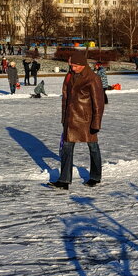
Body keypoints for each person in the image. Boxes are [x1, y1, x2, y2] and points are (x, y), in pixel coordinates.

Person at [48, 51, 105, 189]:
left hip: (86, 119)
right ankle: (64, 180)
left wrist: (96, 122)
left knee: (93, 147)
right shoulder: (70, 76)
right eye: (71, 66)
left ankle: (95, 176)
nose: (72, 68)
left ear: (81, 65)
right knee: (67, 148)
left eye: (74, 66)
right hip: (71, 118)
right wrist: (64, 118)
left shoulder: (93, 78)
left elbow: (99, 103)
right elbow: (66, 98)